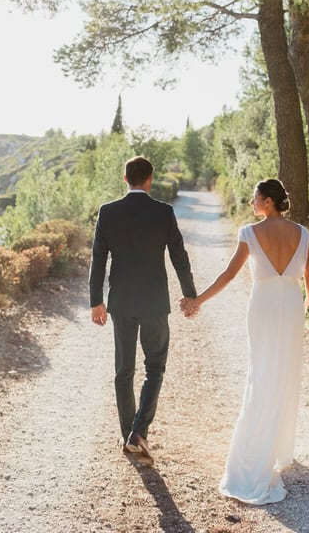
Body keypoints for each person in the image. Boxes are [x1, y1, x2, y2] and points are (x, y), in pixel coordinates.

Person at [180, 178, 309, 504]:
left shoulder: (250, 233)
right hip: (291, 304)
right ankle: (279, 446)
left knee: (261, 373)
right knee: (285, 373)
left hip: (264, 306)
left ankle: (255, 452)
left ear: (268, 202)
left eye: (255, 199)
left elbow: (229, 275)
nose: (251, 204)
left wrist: (198, 300)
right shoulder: (303, 233)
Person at [89, 155, 197, 465]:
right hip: (154, 302)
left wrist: (96, 300)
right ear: (149, 179)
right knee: (155, 368)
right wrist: (190, 295)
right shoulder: (163, 212)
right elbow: (180, 257)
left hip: (121, 302)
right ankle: (138, 434)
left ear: (125, 179)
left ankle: (130, 435)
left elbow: (98, 259)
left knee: (124, 370)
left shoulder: (108, 212)